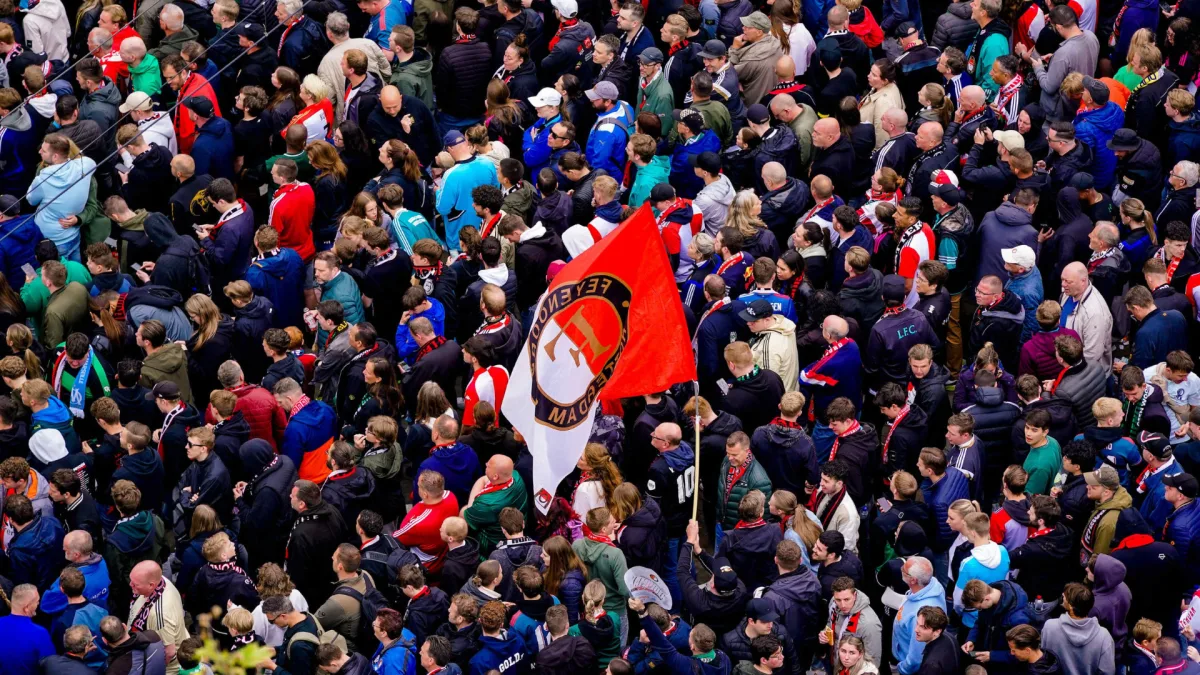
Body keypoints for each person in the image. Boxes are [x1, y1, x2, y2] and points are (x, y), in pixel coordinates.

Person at [1041, 583, 1116, 675]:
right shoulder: (1104, 636)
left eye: (1064, 597)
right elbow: (1108, 671)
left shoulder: (1050, 627)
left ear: (1071, 606)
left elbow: (1044, 660)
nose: (1062, 598)